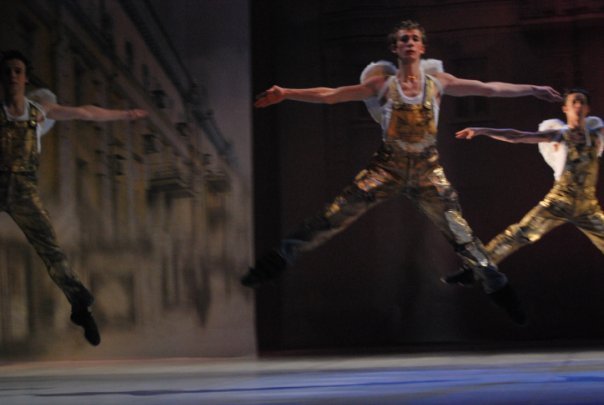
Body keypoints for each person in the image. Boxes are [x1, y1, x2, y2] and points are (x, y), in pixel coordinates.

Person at [242, 20, 561, 324]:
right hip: (388, 167)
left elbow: (487, 89)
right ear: (395, 49)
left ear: (422, 48)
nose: (409, 43)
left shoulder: (438, 83)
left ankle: (498, 287)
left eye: (414, 39)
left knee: (461, 234)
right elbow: (332, 95)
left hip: (427, 170)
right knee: (334, 214)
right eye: (403, 39)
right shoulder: (382, 85)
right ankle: (277, 260)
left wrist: (532, 89)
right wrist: (287, 92)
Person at [0, 50, 148, 345]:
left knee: (52, 251)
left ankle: (80, 306)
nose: (13, 76)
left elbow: (85, 112)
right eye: (7, 72)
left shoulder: (39, 111)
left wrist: (124, 115)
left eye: (18, 71)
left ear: (26, 78)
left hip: (24, 189)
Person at [446, 88, 603, 285]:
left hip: (587, 206)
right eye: (574, 102)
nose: (578, 106)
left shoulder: (595, 136)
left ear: (588, 108)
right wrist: (483, 130)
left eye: (582, 102)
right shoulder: (559, 135)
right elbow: (516, 136)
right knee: (519, 234)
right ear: (565, 108)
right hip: (560, 201)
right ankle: (474, 268)